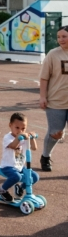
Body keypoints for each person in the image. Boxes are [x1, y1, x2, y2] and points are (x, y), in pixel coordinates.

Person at [38, 25, 68, 171]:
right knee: (56, 132)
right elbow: (44, 78)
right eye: (59, 37)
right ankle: (45, 156)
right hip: (56, 101)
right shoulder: (53, 54)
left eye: (64, 36)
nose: (61, 39)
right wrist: (43, 96)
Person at [0, 112, 39, 202]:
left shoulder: (24, 138)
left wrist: (32, 138)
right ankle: (2, 189)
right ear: (10, 125)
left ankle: (20, 188)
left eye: (23, 128)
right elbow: (13, 146)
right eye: (17, 128)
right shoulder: (7, 137)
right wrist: (18, 137)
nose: (20, 131)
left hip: (19, 166)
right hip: (8, 166)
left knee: (35, 176)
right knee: (17, 177)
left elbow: (34, 148)